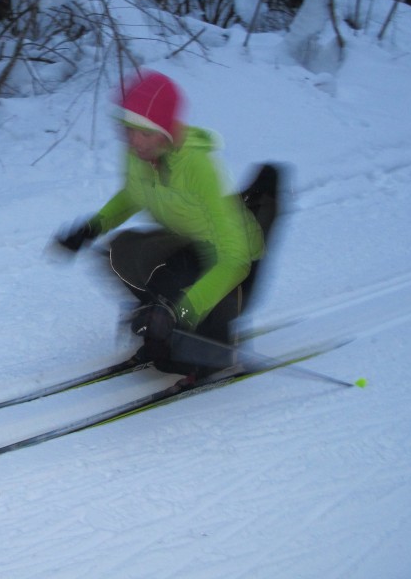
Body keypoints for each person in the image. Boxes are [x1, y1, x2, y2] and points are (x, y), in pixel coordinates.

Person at [57, 70, 280, 375]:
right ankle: (163, 323)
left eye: (145, 133)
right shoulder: (140, 153)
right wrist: (90, 228)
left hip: (231, 261)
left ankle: (214, 344)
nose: (134, 141)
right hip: (187, 245)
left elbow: (235, 259)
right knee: (120, 252)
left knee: (179, 339)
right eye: (129, 130)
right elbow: (134, 194)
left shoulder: (198, 167)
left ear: (166, 134)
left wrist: (181, 312)